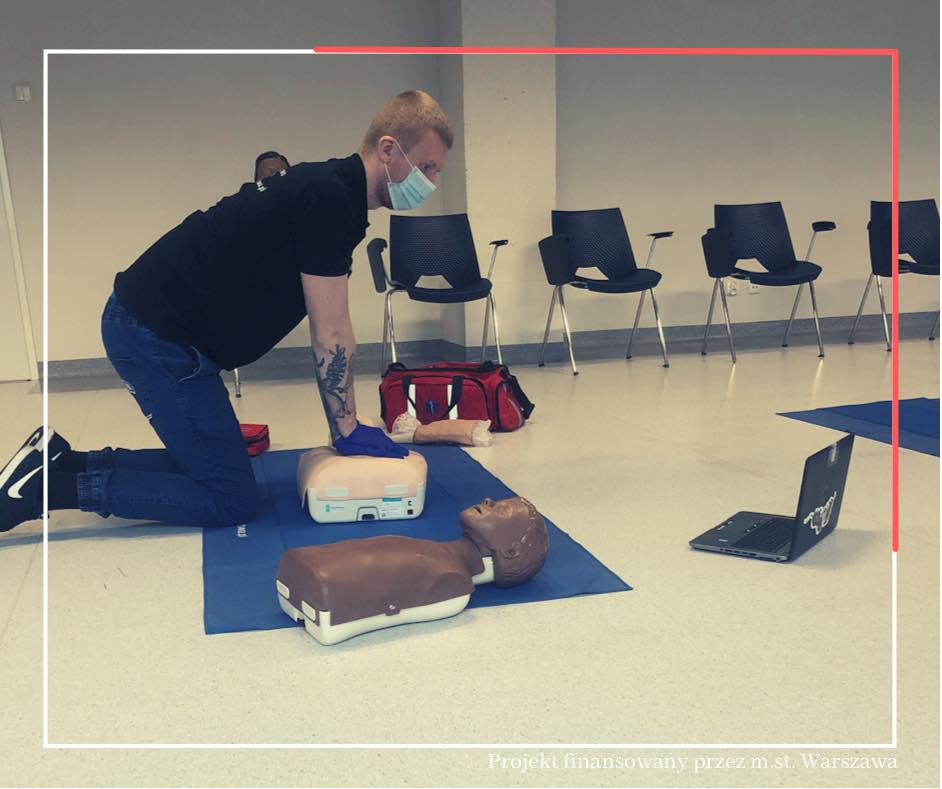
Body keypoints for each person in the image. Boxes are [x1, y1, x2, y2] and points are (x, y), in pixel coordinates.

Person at [0, 90, 452, 533]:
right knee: (230, 498)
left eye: (436, 171)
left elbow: (332, 323)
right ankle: (41, 490)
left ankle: (63, 462)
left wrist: (344, 425)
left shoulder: (331, 190)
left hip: (161, 325)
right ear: (388, 149)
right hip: (155, 332)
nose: (430, 182)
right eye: (426, 167)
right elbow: (330, 330)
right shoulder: (330, 198)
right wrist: (346, 428)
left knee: (215, 464)